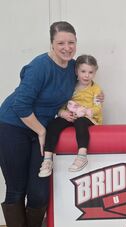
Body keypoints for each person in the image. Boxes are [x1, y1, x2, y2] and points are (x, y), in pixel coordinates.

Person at [0, 21, 78, 227]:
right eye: (61, 42)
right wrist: (42, 130)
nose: (67, 47)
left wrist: (95, 98)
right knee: (17, 188)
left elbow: (69, 95)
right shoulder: (39, 66)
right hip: (12, 126)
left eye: (71, 42)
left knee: (39, 193)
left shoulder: (73, 67)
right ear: (51, 44)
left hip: (39, 130)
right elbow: (20, 105)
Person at [38, 54, 103, 177]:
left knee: (80, 122)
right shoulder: (71, 86)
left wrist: (87, 111)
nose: (86, 75)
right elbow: (62, 102)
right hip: (71, 115)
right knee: (53, 124)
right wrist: (62, 113)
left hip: (88, 118)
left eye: (90, 72)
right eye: (83, 71)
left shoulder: (96, 89)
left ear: (95, 73)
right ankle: (47, 159)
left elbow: (98, 108)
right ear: (76, 71)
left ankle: (82, 155)